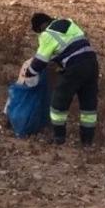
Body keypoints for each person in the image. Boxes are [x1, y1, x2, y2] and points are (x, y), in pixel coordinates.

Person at [24, 12, 98, 146]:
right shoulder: (68, 22)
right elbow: (69, 44)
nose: (40, 34)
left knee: (58, 103)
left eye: (39, 31)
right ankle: (87, 143)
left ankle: (59, 138)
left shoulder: (47, 35)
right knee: (88, 106)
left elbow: (39, 62)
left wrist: (29, 73)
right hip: (92, 63)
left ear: (41, 26)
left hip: (75, 66)